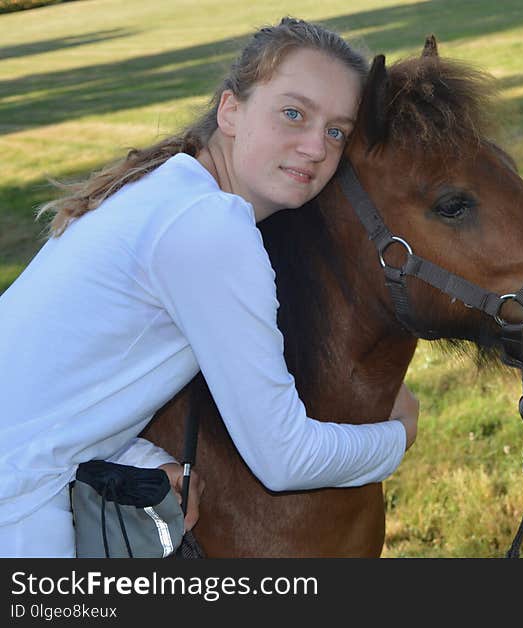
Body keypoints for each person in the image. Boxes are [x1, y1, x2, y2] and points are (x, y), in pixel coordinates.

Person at [0, 17, 419, 558]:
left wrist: (145, 462)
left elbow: (55, 390)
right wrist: (398, 433)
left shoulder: (167, 188)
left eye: (336, 130)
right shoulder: (208, 225)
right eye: (294, 113)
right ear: (231, 111)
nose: (316, 146)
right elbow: (284, 458)